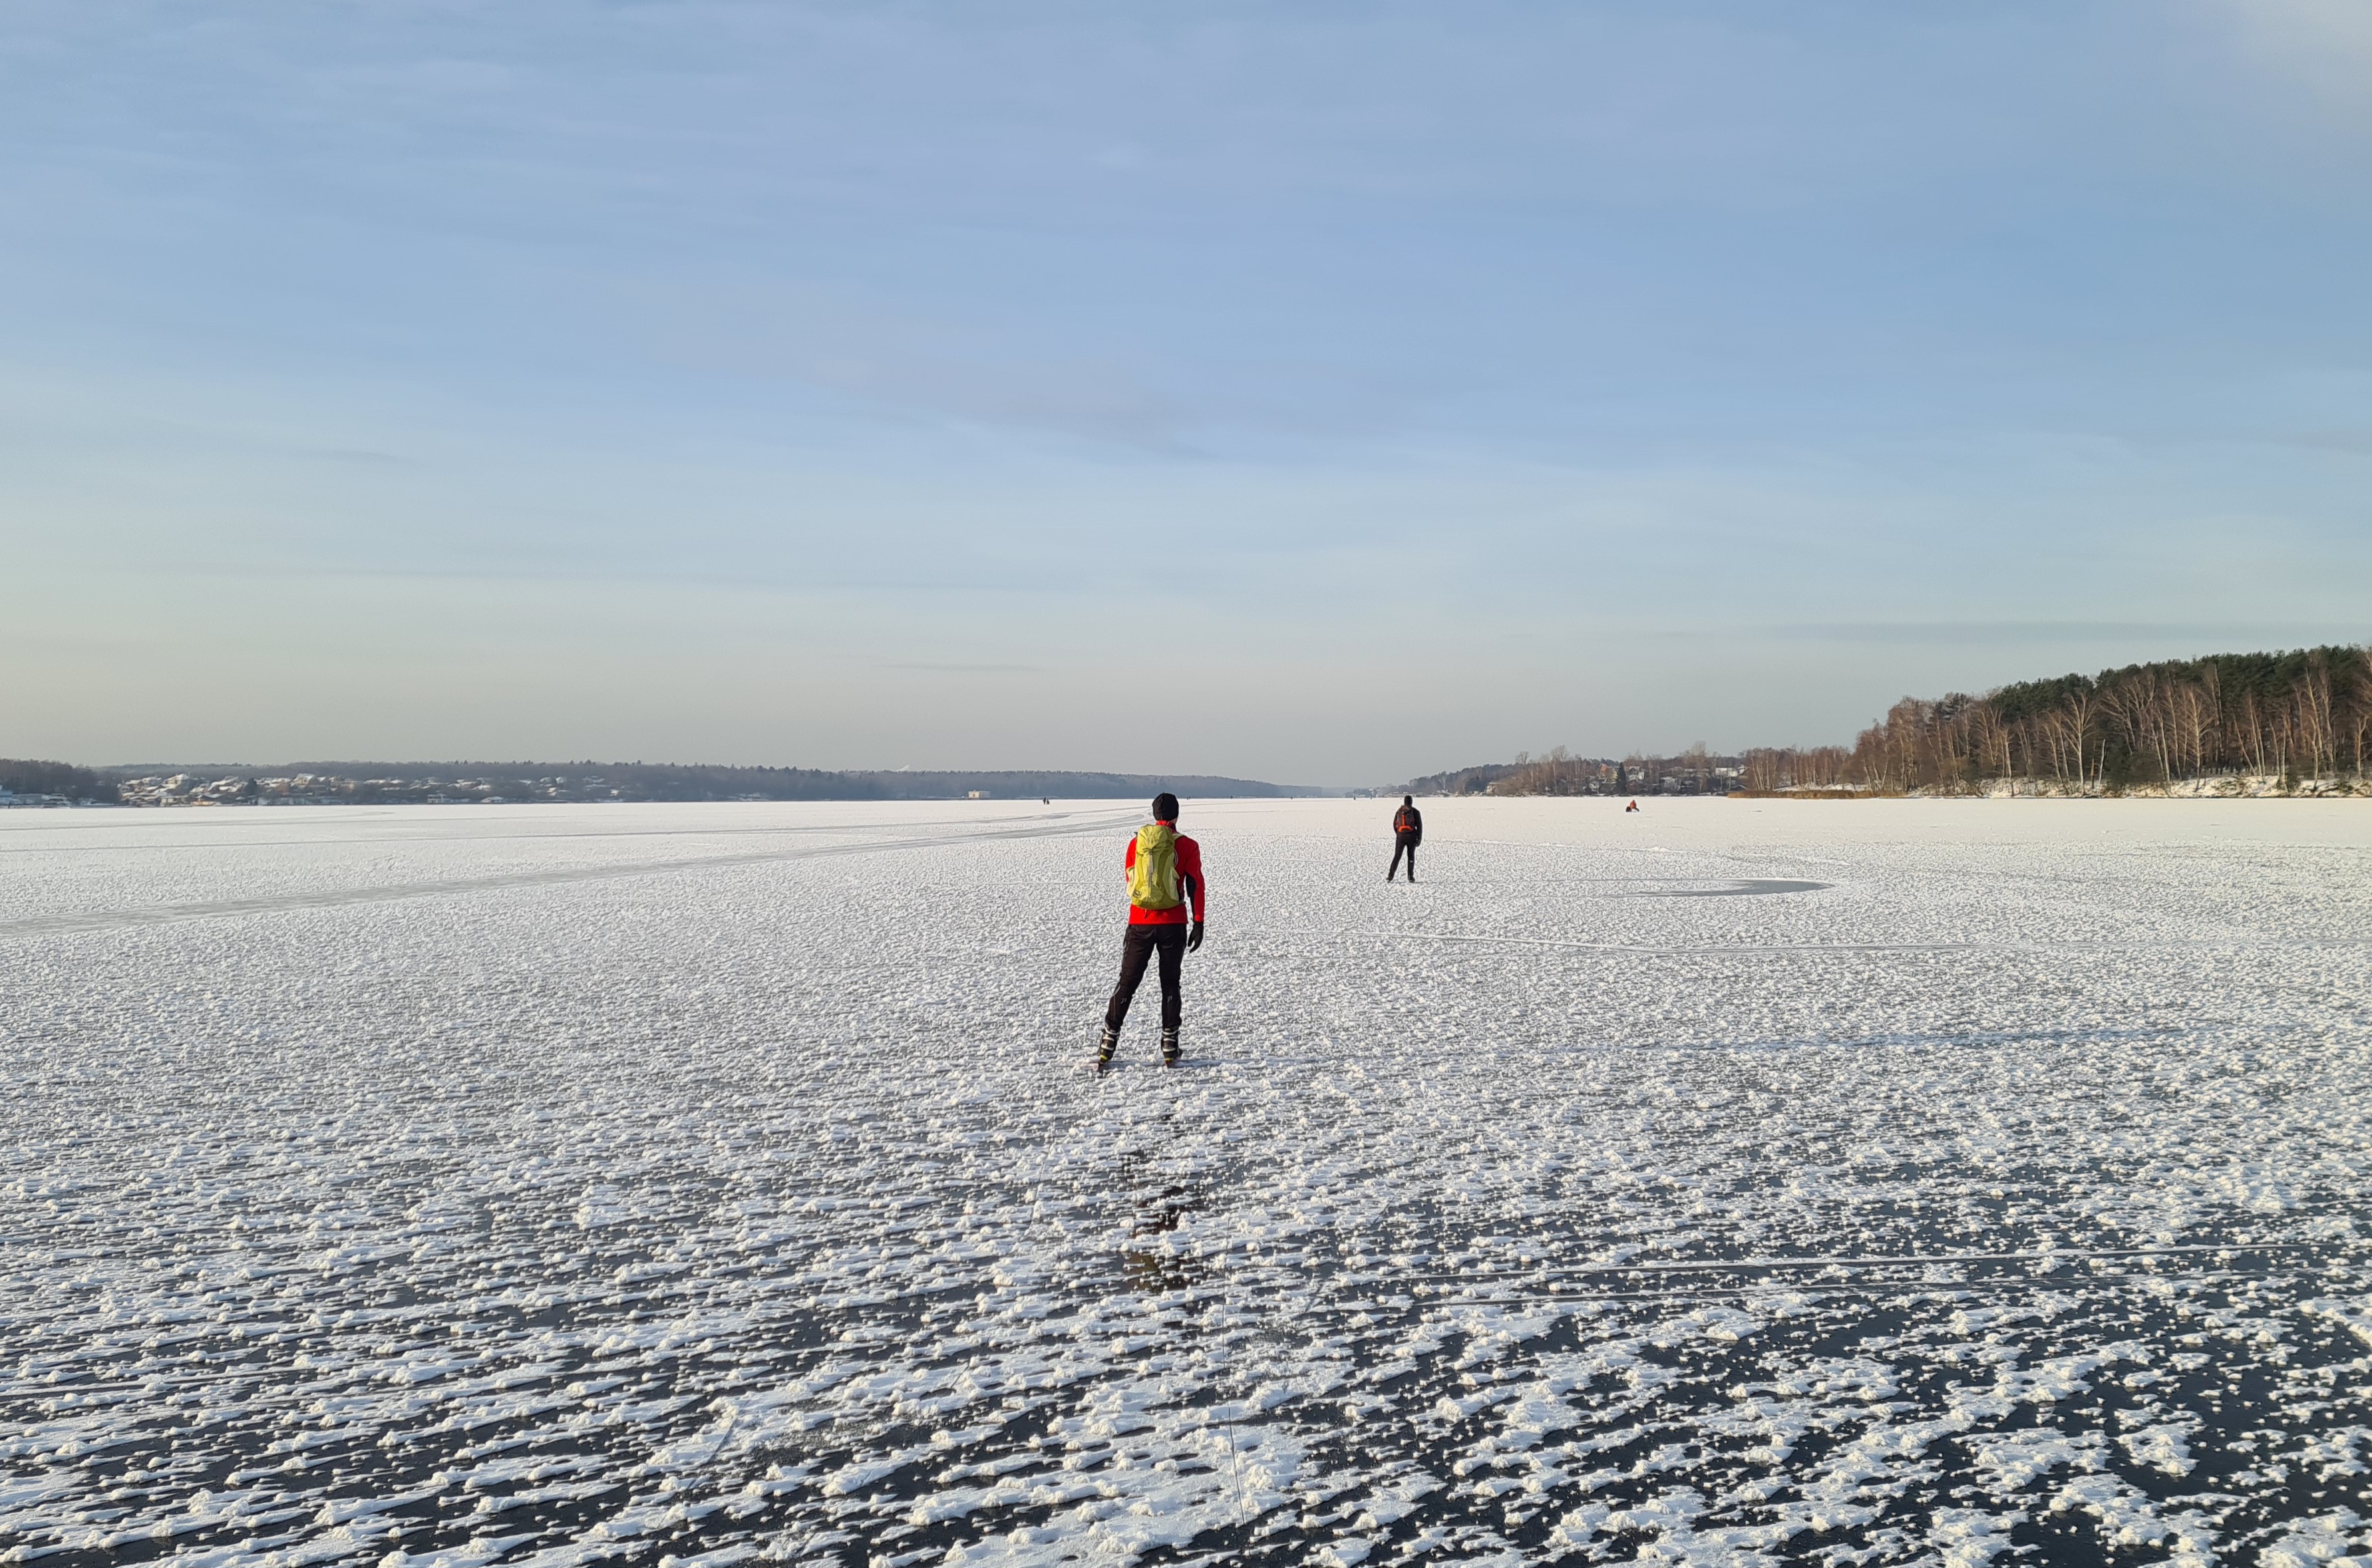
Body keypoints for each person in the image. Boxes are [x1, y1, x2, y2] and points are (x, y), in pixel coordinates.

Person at [1099, 792, 1206, 1070]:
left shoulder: (1137, 844)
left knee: (1127, 983)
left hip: (1140, 921)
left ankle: (1108, 1042)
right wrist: (1199, 922)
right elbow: (1195, 884)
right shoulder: (1188, 846)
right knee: (1170, 984)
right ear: (1177, 816)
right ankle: (1170, 1045)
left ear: (1155, 815)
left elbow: (1131, 879)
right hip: (1173, 924)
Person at [1387, 795, 1423, 882]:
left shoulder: (1399, 811)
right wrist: (1419, 838)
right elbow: (1419, 826)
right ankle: (1410, 876)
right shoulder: (1415, 812)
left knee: (1397, 856)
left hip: (1401, 836)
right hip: (1411, 837)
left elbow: (1395, 825)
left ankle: (1390, 876)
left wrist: (1399, 834)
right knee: (1411, 856)